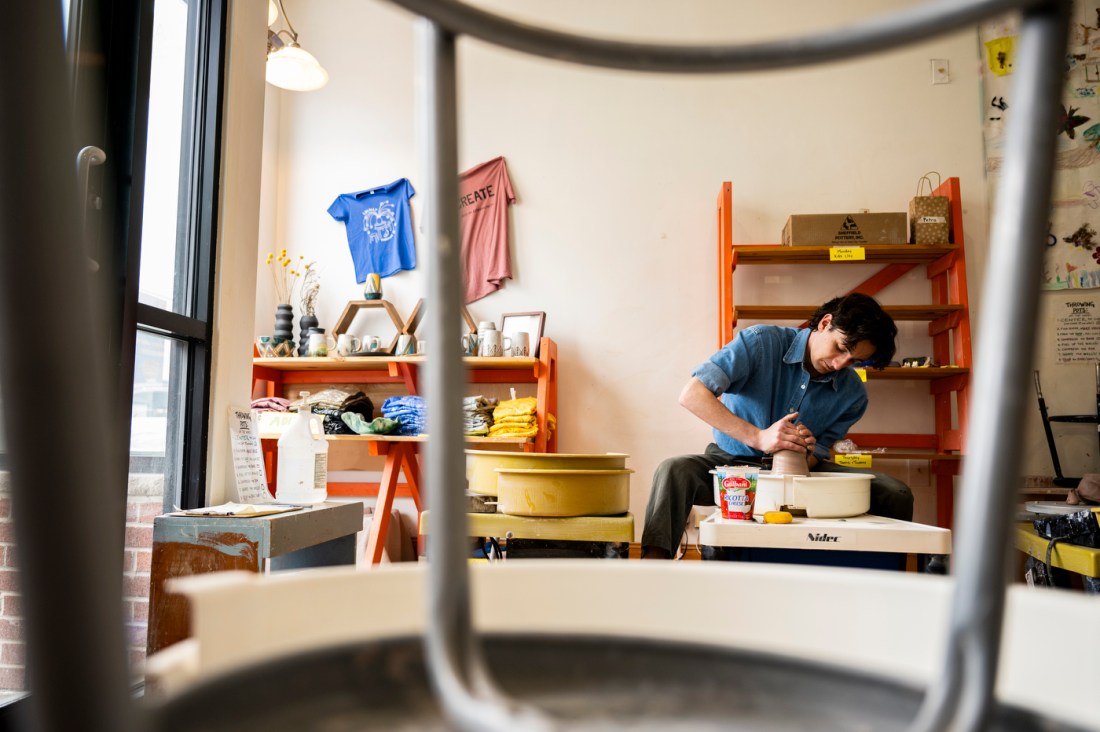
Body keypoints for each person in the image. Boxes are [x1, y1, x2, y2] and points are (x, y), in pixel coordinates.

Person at [640, 292, 913, 559]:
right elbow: (692, 394)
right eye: (841, 349)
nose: (840, 364)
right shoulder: (760, 343)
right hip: (730, 462)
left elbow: (817, 453)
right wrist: (759, 437)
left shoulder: (853, 393)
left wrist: (803, 451)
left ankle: (879, 580)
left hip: (798, 476)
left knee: (894, 493)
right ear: (825, 323)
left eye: (854, 361)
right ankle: (652, 570)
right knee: (673, 471)